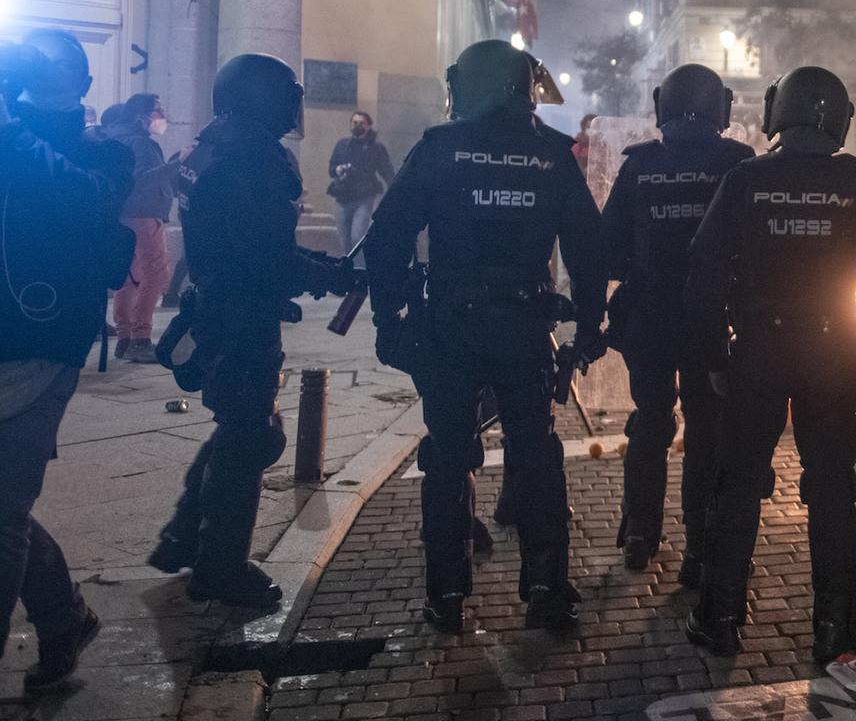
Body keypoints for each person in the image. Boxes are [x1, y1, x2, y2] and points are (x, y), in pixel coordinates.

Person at [364, 40, 607, 632]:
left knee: (447, 458)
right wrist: (590, 324)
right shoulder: (552, 154)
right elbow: (588, 248)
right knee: (538, 455)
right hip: (525, 331)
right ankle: (547, 586)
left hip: (450, 330)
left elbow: (386, 235)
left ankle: (446, 595)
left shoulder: (440, 148)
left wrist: (388, 316)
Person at [681, 66, 856, 663]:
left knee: (737, 486)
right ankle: (836, 623)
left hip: (759, 351)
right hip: (833, 354)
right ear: (839, 117)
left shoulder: (746, 179)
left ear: (775, 113)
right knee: (833, 489)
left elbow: (703, 273)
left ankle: (721, 617)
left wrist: (714, 357)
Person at [150, 54, 356, 606]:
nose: (294, 105)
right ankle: (219, 567)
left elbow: (248, 237)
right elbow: (266, 254)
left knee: (240, 427)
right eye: (287, 93)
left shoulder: (213, 145)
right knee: (249, 437)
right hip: (241, 312)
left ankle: (180, 539)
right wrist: (325, 274)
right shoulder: (255, 158)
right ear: (261, 96)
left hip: (217, 301)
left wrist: (316, 266)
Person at [1, 31, 133, 691]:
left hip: (41, 347)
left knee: (2, 514)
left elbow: (80, 197)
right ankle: (62, 616)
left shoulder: (103, 152)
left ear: (85, 85)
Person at [601, 64, 753, 581]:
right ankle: (700, 541)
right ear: (721, 108)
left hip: (650, 320)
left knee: (651, 421)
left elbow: (609, 250)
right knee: (706, 429)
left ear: (661, 106)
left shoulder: (639, 167)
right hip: (712, 322)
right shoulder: (737, 163)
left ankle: (641, 529)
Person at [101, 92, 178, 362]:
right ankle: (141, 339)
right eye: (157, 111)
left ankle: (124, 337)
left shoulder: (117, 138)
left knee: (130, 278)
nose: (162, 116)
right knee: (155, 275)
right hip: (144, 214)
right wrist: (178, 164)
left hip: (124, 214)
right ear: (141, 116)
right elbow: (144, 179)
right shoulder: (140, 143)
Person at [328, 110, 396, 258]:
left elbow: (387, 172)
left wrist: (395, 191)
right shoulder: (342, 145)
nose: (357, 125)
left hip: (363, 198)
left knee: (357, 236)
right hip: (342, 197)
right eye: (355, 122)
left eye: (361, 123)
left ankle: (360, 270)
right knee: (343, 238)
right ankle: (346, 270)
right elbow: (332, 168)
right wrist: (338, 169)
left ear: (369, 126)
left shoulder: (376, 148)